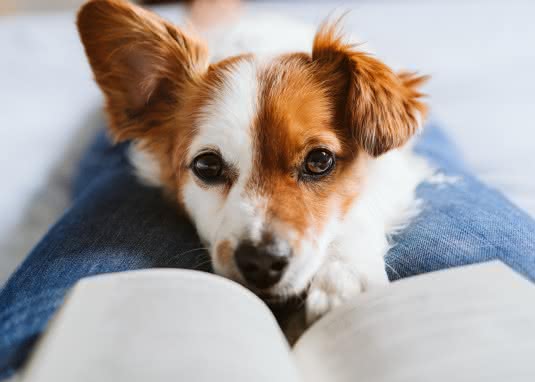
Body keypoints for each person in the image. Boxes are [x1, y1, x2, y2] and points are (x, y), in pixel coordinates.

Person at [1, 119, 534, 380]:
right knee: (133, 158)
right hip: (187, 82)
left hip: (340, 82)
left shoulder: (345, 77)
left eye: (317, 161)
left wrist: (355, 239)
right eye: (213, 167)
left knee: (408, 144)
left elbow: (390, 135)